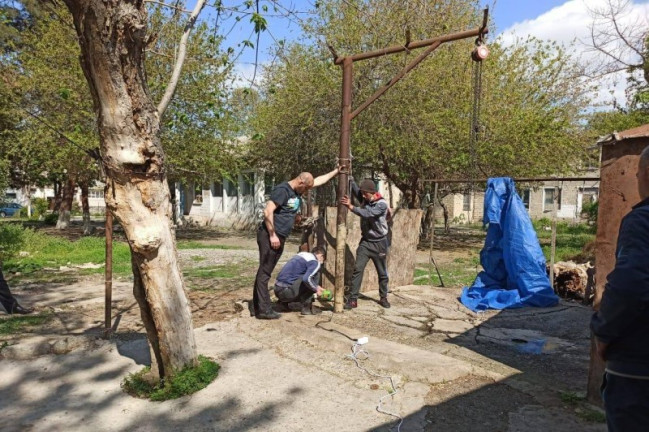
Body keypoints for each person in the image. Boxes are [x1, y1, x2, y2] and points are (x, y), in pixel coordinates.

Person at [591, 144, 649, 432]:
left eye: (637, 174)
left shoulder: (642, 221)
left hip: (637, 365)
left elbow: (629, 284)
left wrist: (603, 331)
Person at [251, 168, 339, 319]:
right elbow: (268, 211)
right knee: (265, 272)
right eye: (305, 188)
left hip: (280, 236)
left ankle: (257, 306)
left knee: (264, 272)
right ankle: (263, 310)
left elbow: (318, 180)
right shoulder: (283, 190)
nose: (306, 191)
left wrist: (336, 171)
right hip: (270, 236)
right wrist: (272, 235)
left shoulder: (296, 191)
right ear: (300, 182)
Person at [341, 178, 391, 310]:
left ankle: (383, 297)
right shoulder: (365, 198)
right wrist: (351, 179)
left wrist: (351, 207)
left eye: (365, 194)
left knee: (382, 273)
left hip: (379, 243)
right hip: (366, 243)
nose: (362, 196)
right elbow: (356, 189)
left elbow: (368, 214)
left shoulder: (382, 204)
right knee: (358, 269)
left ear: (372, 192)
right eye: (362, 193)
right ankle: (353, 299)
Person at [273, 246, 326, 316]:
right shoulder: (315, 262)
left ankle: (283, 303)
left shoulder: (301, 255)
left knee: (302, 277)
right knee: (315, 275)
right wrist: (316, 289)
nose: (322, 262)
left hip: (277, 290)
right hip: (287, 292)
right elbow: (307, 279)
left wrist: (317, 286)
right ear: (321, 255)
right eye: (323, 259)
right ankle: (307, 308)